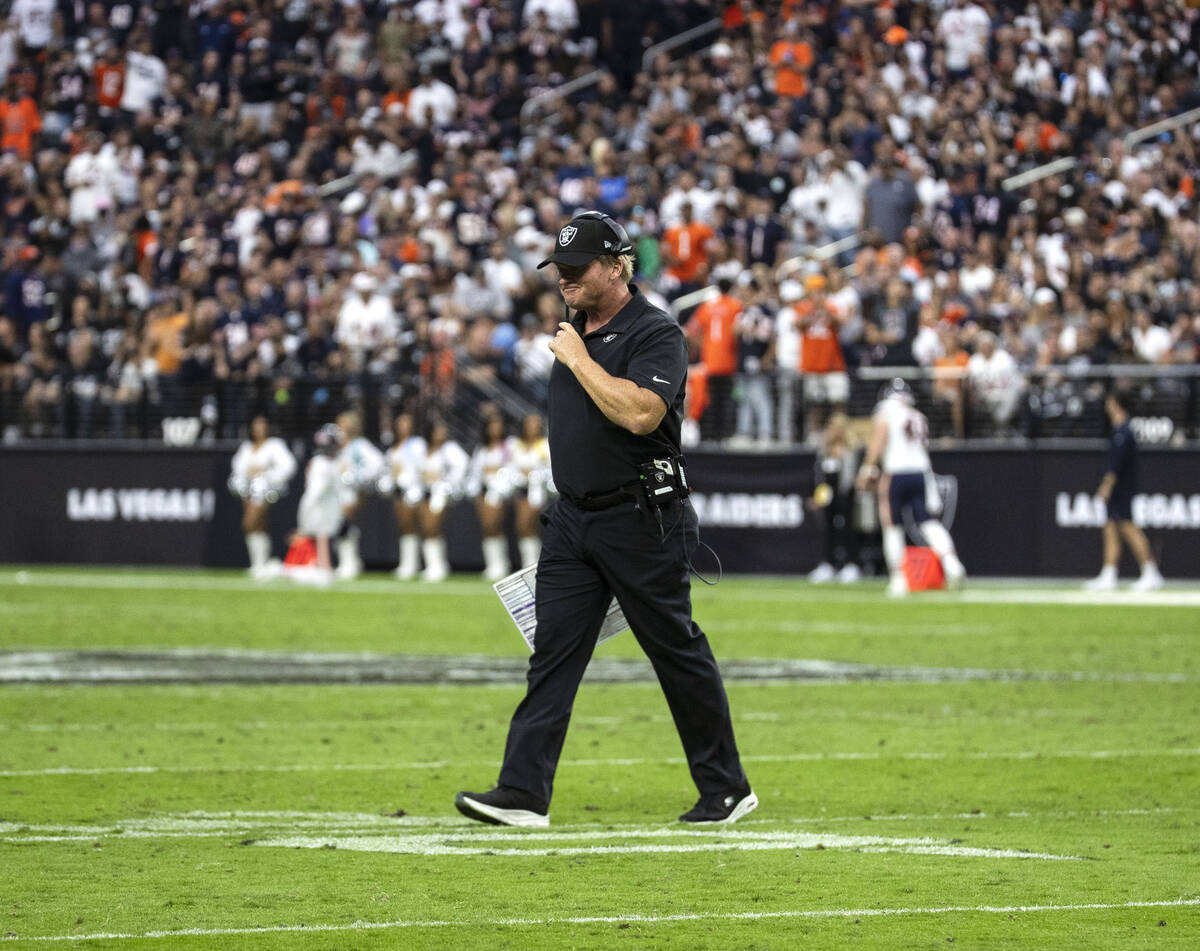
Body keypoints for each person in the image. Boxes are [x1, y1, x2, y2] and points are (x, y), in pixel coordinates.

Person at [456, 211, 754, 828]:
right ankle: (523, 792)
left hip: (641, 518)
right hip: (574, 520)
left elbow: (643, 413)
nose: (563, 280)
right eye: (558, 269)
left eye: (575, 268)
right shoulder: (576, 329)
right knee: (553, 653)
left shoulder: (655, 332)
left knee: (674, 649)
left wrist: (579, 359)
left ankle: (726, 788)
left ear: (617, 267)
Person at [856, 379, 966, 597]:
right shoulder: (918, 416)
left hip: (896, 472)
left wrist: (867, 468)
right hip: (921, 472)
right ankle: (952, 563)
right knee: (926, 520)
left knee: (892, 525)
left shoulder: (886, 413)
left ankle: (899, 578)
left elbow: (880, 439)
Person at [1084, 392, 1164, 592]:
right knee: (1110, 528)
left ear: (1118, 405)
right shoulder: (1118, 431)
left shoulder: (1124, 432)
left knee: (1128, 528)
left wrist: (1106, 486)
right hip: (1119, 489)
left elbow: (1116, 466)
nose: (1107, 406)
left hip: (1122, 489)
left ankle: (1150, 572)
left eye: (1110, 402)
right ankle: (1109, 573)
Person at [227, 414, 296, 575]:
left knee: (250, 522)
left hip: (267, 489)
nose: (259, 429)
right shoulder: (246, 447)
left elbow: (288, 466)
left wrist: (266, 472)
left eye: (262, 425)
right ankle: (259, 563)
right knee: (258, 525)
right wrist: (248, 473)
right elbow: (237, 468)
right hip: (247, 490)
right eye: (256, 426)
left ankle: (262, 562)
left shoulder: (275, 445)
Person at [806, 413, 864, 584]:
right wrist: (816, 495)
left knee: (847, 529)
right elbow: (818, 476)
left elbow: (852, 475)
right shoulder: (823, 451)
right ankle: (827, 564)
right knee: (827, 530)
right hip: (827, 496)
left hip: (846, 495)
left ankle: (851, 565)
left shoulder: (852, 450)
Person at [334, 410, 389, 579]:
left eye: (345, 423)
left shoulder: (359, 445)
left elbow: (378, 464)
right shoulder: (336, 447)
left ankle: (349, 562)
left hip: (351, 491)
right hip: (336, 492)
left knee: (346, 524)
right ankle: (347, 561)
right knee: (337, 525)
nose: (341, 427)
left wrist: (357, 479)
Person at [416, 417, 470, 582]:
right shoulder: (423, 449)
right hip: (424, 491)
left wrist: (448, 483)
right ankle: (434, 565)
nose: (442, 433)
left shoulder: (450, 449)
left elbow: (463, 464)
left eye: (443, 430)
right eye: (438, 430)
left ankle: (437, 566)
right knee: (426, 527)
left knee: (432, 526)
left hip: (440, 492)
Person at [469, 413, 518, 581]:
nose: (495, 429)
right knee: (487, 527)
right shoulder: (482, 448)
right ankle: (492, 564)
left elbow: (513, 468)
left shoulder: (508, 445)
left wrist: (500, 484)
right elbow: (476, 471)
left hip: (498, 491)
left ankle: (501, 564)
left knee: (494, 524)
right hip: (482, 491)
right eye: (491, 425)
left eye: (498, 425)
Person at [510, 412, 553, 569]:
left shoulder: (544, 444)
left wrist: (534, 474)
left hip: (537, 489)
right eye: (530, 423)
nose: (533, 426)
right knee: (521, 526)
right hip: (520, 488)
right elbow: (510, 465)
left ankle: (533, 563)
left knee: (527, 523)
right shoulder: (517, 445)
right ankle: (528, 563)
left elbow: (551, 468)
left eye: (536, 423)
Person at [387, 411, 427, 580]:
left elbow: (422, 466)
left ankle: (416, 564)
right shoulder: (394, 446)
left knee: (414, 525)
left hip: (413, 490)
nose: (404, 427)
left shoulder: (417, 444)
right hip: (398, 490)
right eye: (401, 423)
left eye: (407, 423)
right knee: (404, 526)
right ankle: (407, 563)